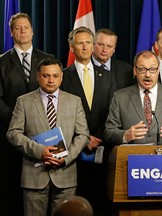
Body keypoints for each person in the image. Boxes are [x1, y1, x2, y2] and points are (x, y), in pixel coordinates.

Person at [6, 57, 90, 216]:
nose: (51, 80)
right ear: (38, 76)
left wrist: (65, 157)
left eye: (55, 76)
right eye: (46, 76)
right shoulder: (23, 101)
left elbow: (83, 135)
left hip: (65, 175)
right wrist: (39, 151)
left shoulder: (74, 101)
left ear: (61, 76)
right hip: (34, 176)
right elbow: (13, 133)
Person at [0, 12, 53, 215]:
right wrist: (17, 121)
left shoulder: (48, 59)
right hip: (10, 137)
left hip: (44, 136)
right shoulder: (2, 62)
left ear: (32, 31)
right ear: (11, 32)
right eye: (17, 28)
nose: (22, 31)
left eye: (26, 27)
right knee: (10, 189)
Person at [61, 26, 117, 215]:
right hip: (73, 149)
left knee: (101, 200)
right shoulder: (62, 76)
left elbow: (112, 110)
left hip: (102, 147)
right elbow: (61, 114)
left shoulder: (108, 76)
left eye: (88, 43)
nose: (85, 47)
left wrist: (98, 136)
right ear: (71, 47)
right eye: (80, 43)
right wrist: (83, 138)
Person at [104, 50, 162, 145]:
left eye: (152, 69)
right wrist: (125, 135)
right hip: (133, 157)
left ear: (158, 70)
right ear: (135, 70)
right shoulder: (120, 97)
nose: (147, 75)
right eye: (142, 69)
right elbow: (108, 132)